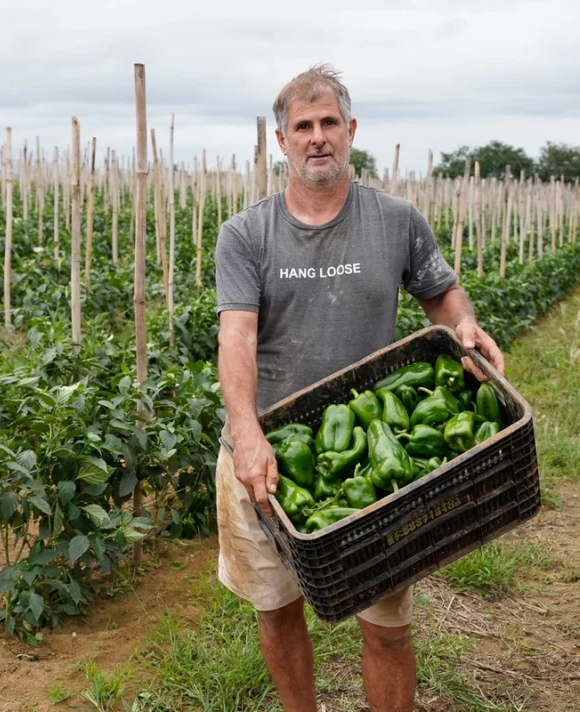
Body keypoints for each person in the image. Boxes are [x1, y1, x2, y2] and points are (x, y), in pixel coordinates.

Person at [213, 64, 506, 712]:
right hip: (265, 449)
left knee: (388, 620)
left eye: (329, 124)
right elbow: (235, 336)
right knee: (276, 607)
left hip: (373, 452)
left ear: (351, 130)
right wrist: (246, 432)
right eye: (303, 126)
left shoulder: (396, 219)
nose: (317, 138)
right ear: (281, 140)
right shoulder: (245, 233)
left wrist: (465, 326)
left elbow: (440, 292)